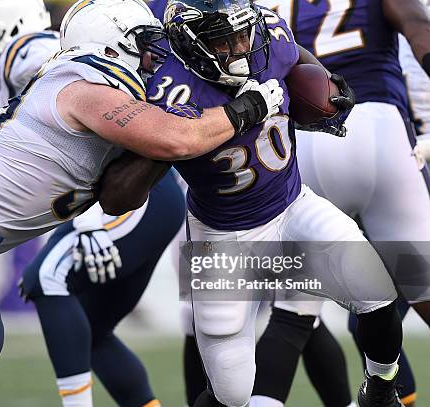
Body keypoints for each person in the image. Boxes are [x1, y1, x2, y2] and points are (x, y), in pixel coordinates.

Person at [0, 0, 285, 405]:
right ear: (111, 45)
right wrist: (249, 108)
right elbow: (178, 140)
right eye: (143, 43)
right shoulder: (83, 84)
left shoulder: (105, 94)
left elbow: (121, 196)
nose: (154, 56)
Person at [97, 0, 407, 406]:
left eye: (245, 32)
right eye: (225, 38)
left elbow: (294, 57)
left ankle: (380, 389)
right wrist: (168, 142)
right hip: (218, 236)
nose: (243, 45)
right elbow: (116, 198)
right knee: (231, 392)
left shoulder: (269, 35)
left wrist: (325, 87)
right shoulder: (165, 88)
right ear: (191, 43)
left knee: (377, 293)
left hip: (293, 205)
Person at [0, 1, 185, 404]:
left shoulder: (30, 53)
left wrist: (89, 225)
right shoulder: (33, 57)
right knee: (92, 334)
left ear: (5, 24)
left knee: (48, 278)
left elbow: (94, 101)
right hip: (149, 197)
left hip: (134, 198)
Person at [251, 0, 430, 405]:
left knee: (292, 315)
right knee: (423, 290)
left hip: (303, 141)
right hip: (377, 130)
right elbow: (418, 25)